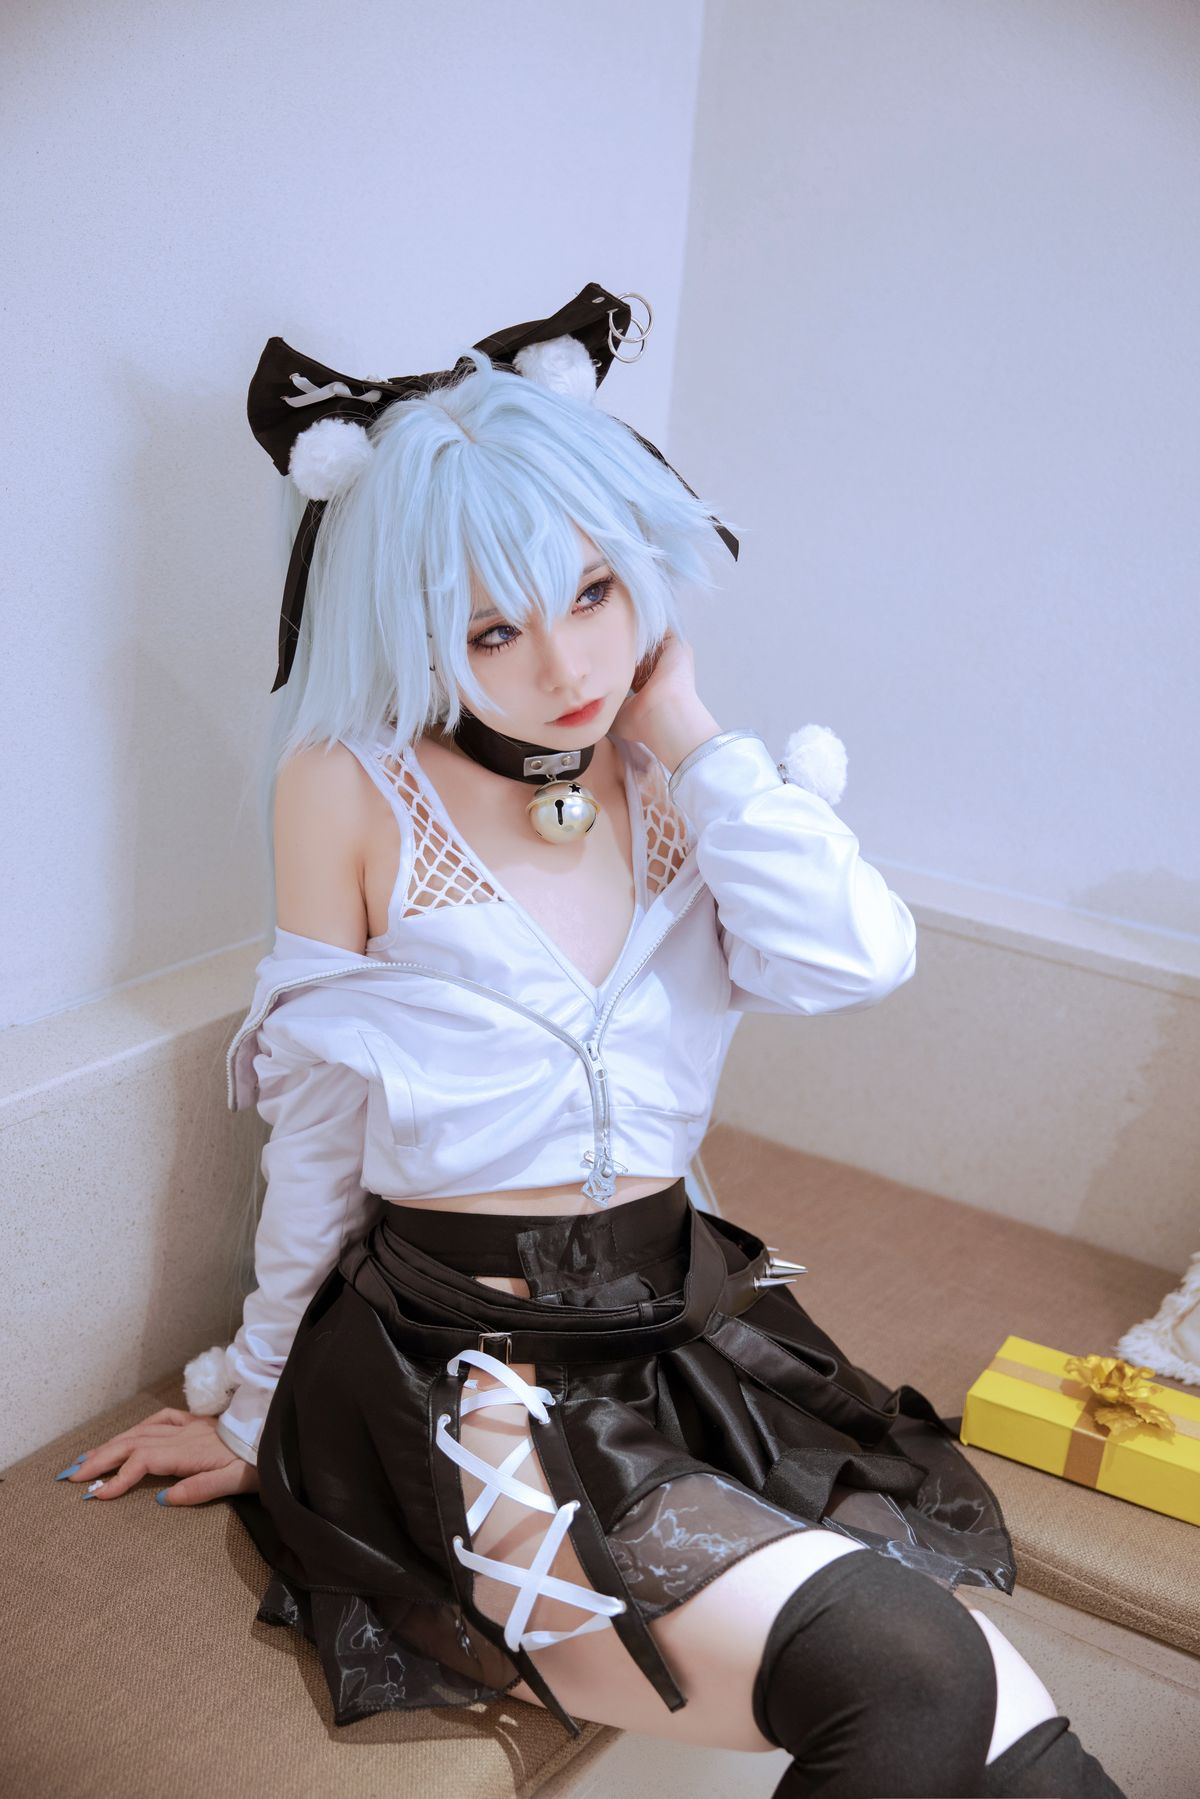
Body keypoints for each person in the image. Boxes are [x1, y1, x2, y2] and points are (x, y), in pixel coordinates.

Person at [57, 286, 1125, 1795]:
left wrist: (686, 729)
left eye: (597, 592)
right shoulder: (348, 789)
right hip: (466, 1377)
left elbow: (858, 957)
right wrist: (256, 1393)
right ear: (416, 628)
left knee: (1008, 1710)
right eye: (494, 628)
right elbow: (317, 1129)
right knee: (920, 1665)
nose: (569, 667)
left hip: (679, 1342)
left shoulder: (685, 778)